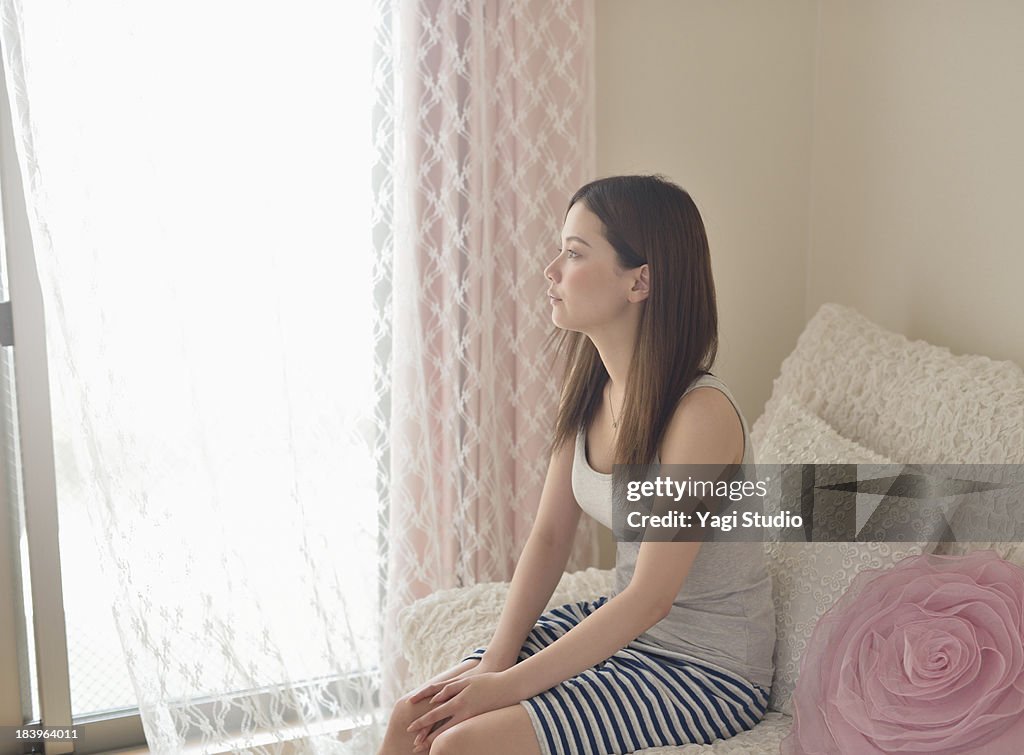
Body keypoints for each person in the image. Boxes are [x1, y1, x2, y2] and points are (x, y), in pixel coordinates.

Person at [378, 175, 775, 755]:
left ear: (640, 280)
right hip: (632, 634)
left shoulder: (701, 415)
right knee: (411, 718)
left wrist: (505, 688)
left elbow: (649, 598)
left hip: (706, 669)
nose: (551, 269)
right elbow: (548, 537)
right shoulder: (592, 389)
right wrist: (494, 660)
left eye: (574, 252)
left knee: (457, 745)